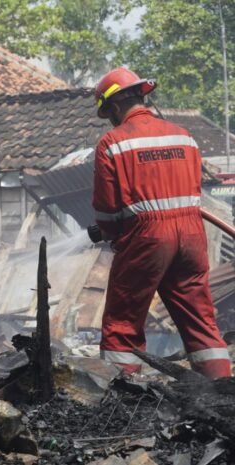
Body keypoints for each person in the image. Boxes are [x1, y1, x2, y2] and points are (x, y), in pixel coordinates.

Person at [92, 67, 230, 379]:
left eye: (107, 112)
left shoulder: (113, 143)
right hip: (193, 236)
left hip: (146, 237)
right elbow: (193, 190)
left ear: (114, 106)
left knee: (122, 321)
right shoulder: (184, 136)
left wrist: (112, 234)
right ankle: (223, 392)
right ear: (141, 96)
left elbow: (108, 210)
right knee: (200, 321)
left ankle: (123, 398)